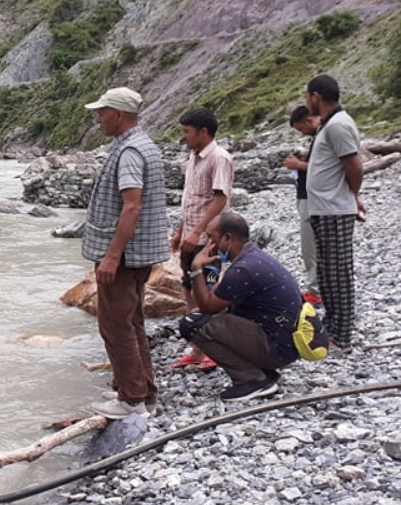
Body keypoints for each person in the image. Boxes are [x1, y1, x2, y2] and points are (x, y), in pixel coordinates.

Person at [81, 87, 170, 419]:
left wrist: (111, 256)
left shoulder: (129, 151)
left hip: (126, 256)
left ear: (118, 114)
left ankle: (131, 400)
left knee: (116, 325)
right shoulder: (143, 145)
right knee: (131, 322)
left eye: (102, 112)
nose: (98, 118)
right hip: (141, 253)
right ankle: (142, 390)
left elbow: (131, 207)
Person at [185, 213, 303, 401]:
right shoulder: (253, 256)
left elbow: (206, 306)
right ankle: (265, 373)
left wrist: (196, 268)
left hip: (276, 347)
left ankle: (252, 380)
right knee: (217, 314)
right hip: (286, 341)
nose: (209, 244)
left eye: (211, 238)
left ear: (227, 238)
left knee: (193, 324)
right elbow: (219, 296)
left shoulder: (243, 269)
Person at [170, 107, 234, 372]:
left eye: (186, 131)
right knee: (188, 288)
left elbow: (220, 199)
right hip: (190, 236)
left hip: (207, 239)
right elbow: (190, 199)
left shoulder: (219, 158)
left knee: (208, 291)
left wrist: (197, 231)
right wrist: (180, 230)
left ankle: (213, 348)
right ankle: (198, 347)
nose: (183, 137)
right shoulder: (193, 157)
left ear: (203, 132)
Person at [304, 74, 366, 349]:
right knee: (328, 270)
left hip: (334, 209)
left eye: (308, 96)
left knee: (338, 270)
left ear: (316, 96)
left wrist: (353, 196)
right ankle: (332, 324)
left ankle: (342, 333)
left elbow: (353, 164)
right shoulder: (329, 124)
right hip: (324, 207)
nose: (307, 102)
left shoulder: (339, 125)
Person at [281, 106, 323, 306]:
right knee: (312, 245)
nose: (302, 133)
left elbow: (324, 168)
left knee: (310, 247)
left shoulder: (325, 134)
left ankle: (316, 290)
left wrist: (298, 165)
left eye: (300, 128)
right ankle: (318, 287)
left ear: (308, 121)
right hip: (307, 195)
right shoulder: (320, 136)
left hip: (311, 198)